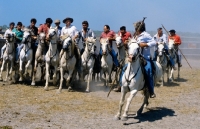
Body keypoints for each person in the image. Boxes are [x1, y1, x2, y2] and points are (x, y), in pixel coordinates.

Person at [118, 21, 156, 98]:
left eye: (136, 27)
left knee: (149, 72)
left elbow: (154, 42)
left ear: (139, 28)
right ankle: (120, 85)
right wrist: (126, 44)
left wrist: (144, 44)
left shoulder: (146, 35)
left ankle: (151, 90)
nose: (135, 29)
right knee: (124, 68)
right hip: (135, 58)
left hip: (145, 58)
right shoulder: (135, 36)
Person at [113, 26, 132, 92]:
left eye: (122, 31)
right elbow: (117, 40)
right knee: (115, 56)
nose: (121, 32)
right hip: (120, 50)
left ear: (124, 30)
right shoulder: (119, 34)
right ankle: (115, 66)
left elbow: (130, 41)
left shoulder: (128, 34)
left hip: (127, 50)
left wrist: (126, 42)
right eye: (120, 30)